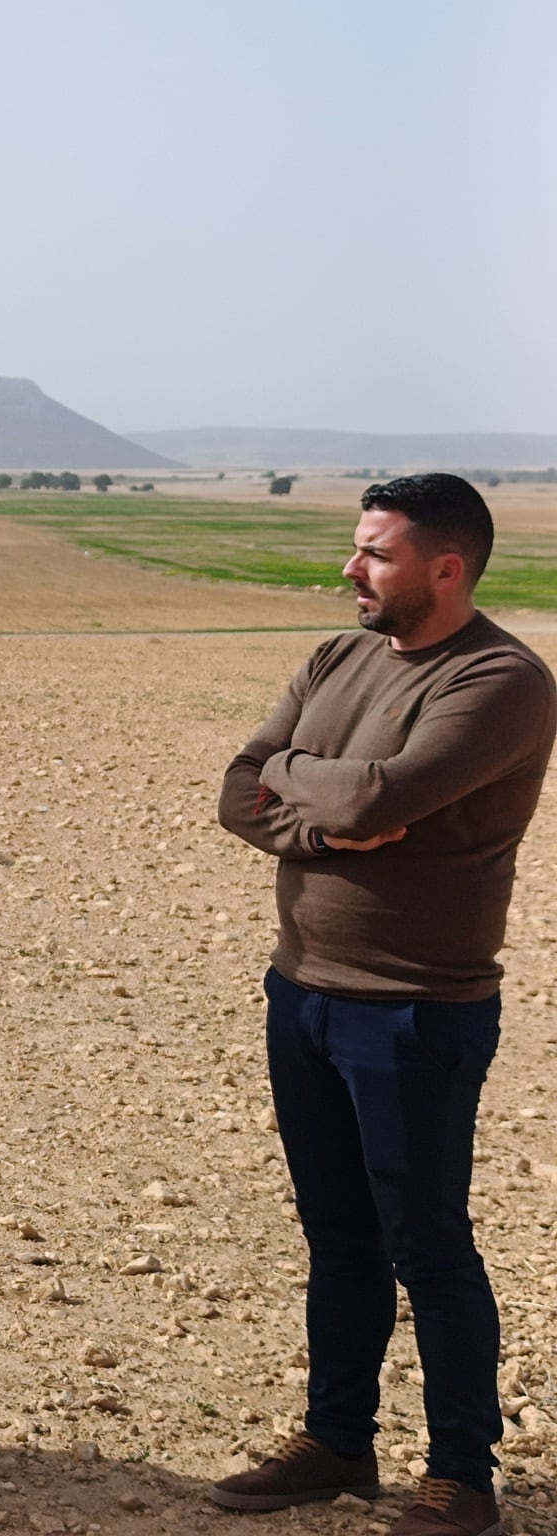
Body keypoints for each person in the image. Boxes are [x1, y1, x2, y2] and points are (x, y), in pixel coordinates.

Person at [213, 474, 553, 1536]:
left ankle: (462, 1477)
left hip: (415, 1012)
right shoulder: (337, 656)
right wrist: (323, 817)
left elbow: (378, 797)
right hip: (302, 990)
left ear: (446, 568)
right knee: (337, 1236)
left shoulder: (502, 680)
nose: (350, 569)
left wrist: (307, 782)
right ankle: (337, 1440)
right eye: (355, 549)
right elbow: (239, 786)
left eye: (375, 554)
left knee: (428, 1244)